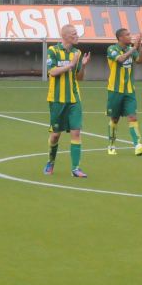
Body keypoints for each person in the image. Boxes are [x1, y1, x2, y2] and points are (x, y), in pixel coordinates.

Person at [43, 24, 91, 178]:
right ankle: (50, 161)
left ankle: (75, 168)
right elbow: (52, 72)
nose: (77, 36)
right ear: (65, 36)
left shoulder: (77, 52)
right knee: (56, 135)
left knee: (76, 132)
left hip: (74, 98)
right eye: (74, 34)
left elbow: (79, 78)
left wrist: (82, 66)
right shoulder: (53, 51)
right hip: (57, 99)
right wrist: (70, 64)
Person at [106, 28, 142, 157]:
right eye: (127, 35)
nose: (130, 36)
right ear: (120, 38)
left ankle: (137, 146)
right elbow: (120, 59)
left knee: (133, 116)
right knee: (114, 119)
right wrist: (133, 48)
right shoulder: (112, 49)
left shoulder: (130, 49)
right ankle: (111, 145)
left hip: (129, 90)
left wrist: (139, 46)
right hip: (115, 90)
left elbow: (141, 60)